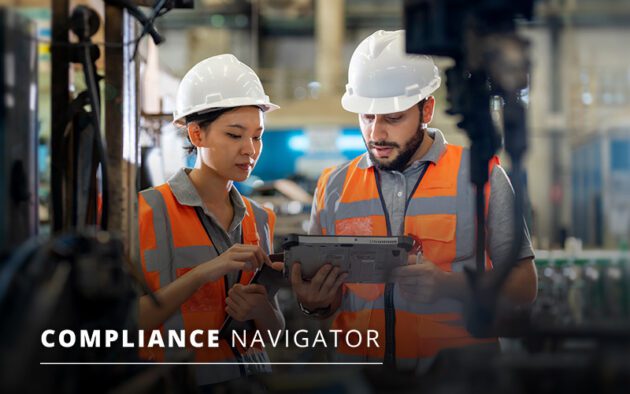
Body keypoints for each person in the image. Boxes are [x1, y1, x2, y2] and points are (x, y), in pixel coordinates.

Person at [290, 30, 537, 371]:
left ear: (427, 109)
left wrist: (450, 286)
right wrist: (313, 304)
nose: (376, 134)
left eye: (393, 118)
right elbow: (327, 301)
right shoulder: (333, 186)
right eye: (366, 117)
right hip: (360, 379)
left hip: (457, 380)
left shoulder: (482, 176)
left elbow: (525, 286)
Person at [137, 54, 285, 387]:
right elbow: (121, 325)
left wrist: (261, 310)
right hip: (176, 383)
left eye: (257, 136)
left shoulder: (261, 218)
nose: (250, 149)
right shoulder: (147, 211)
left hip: (252, 382)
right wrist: (205, 272)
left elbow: (274, 335)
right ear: (197, 134)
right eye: (235, 135)